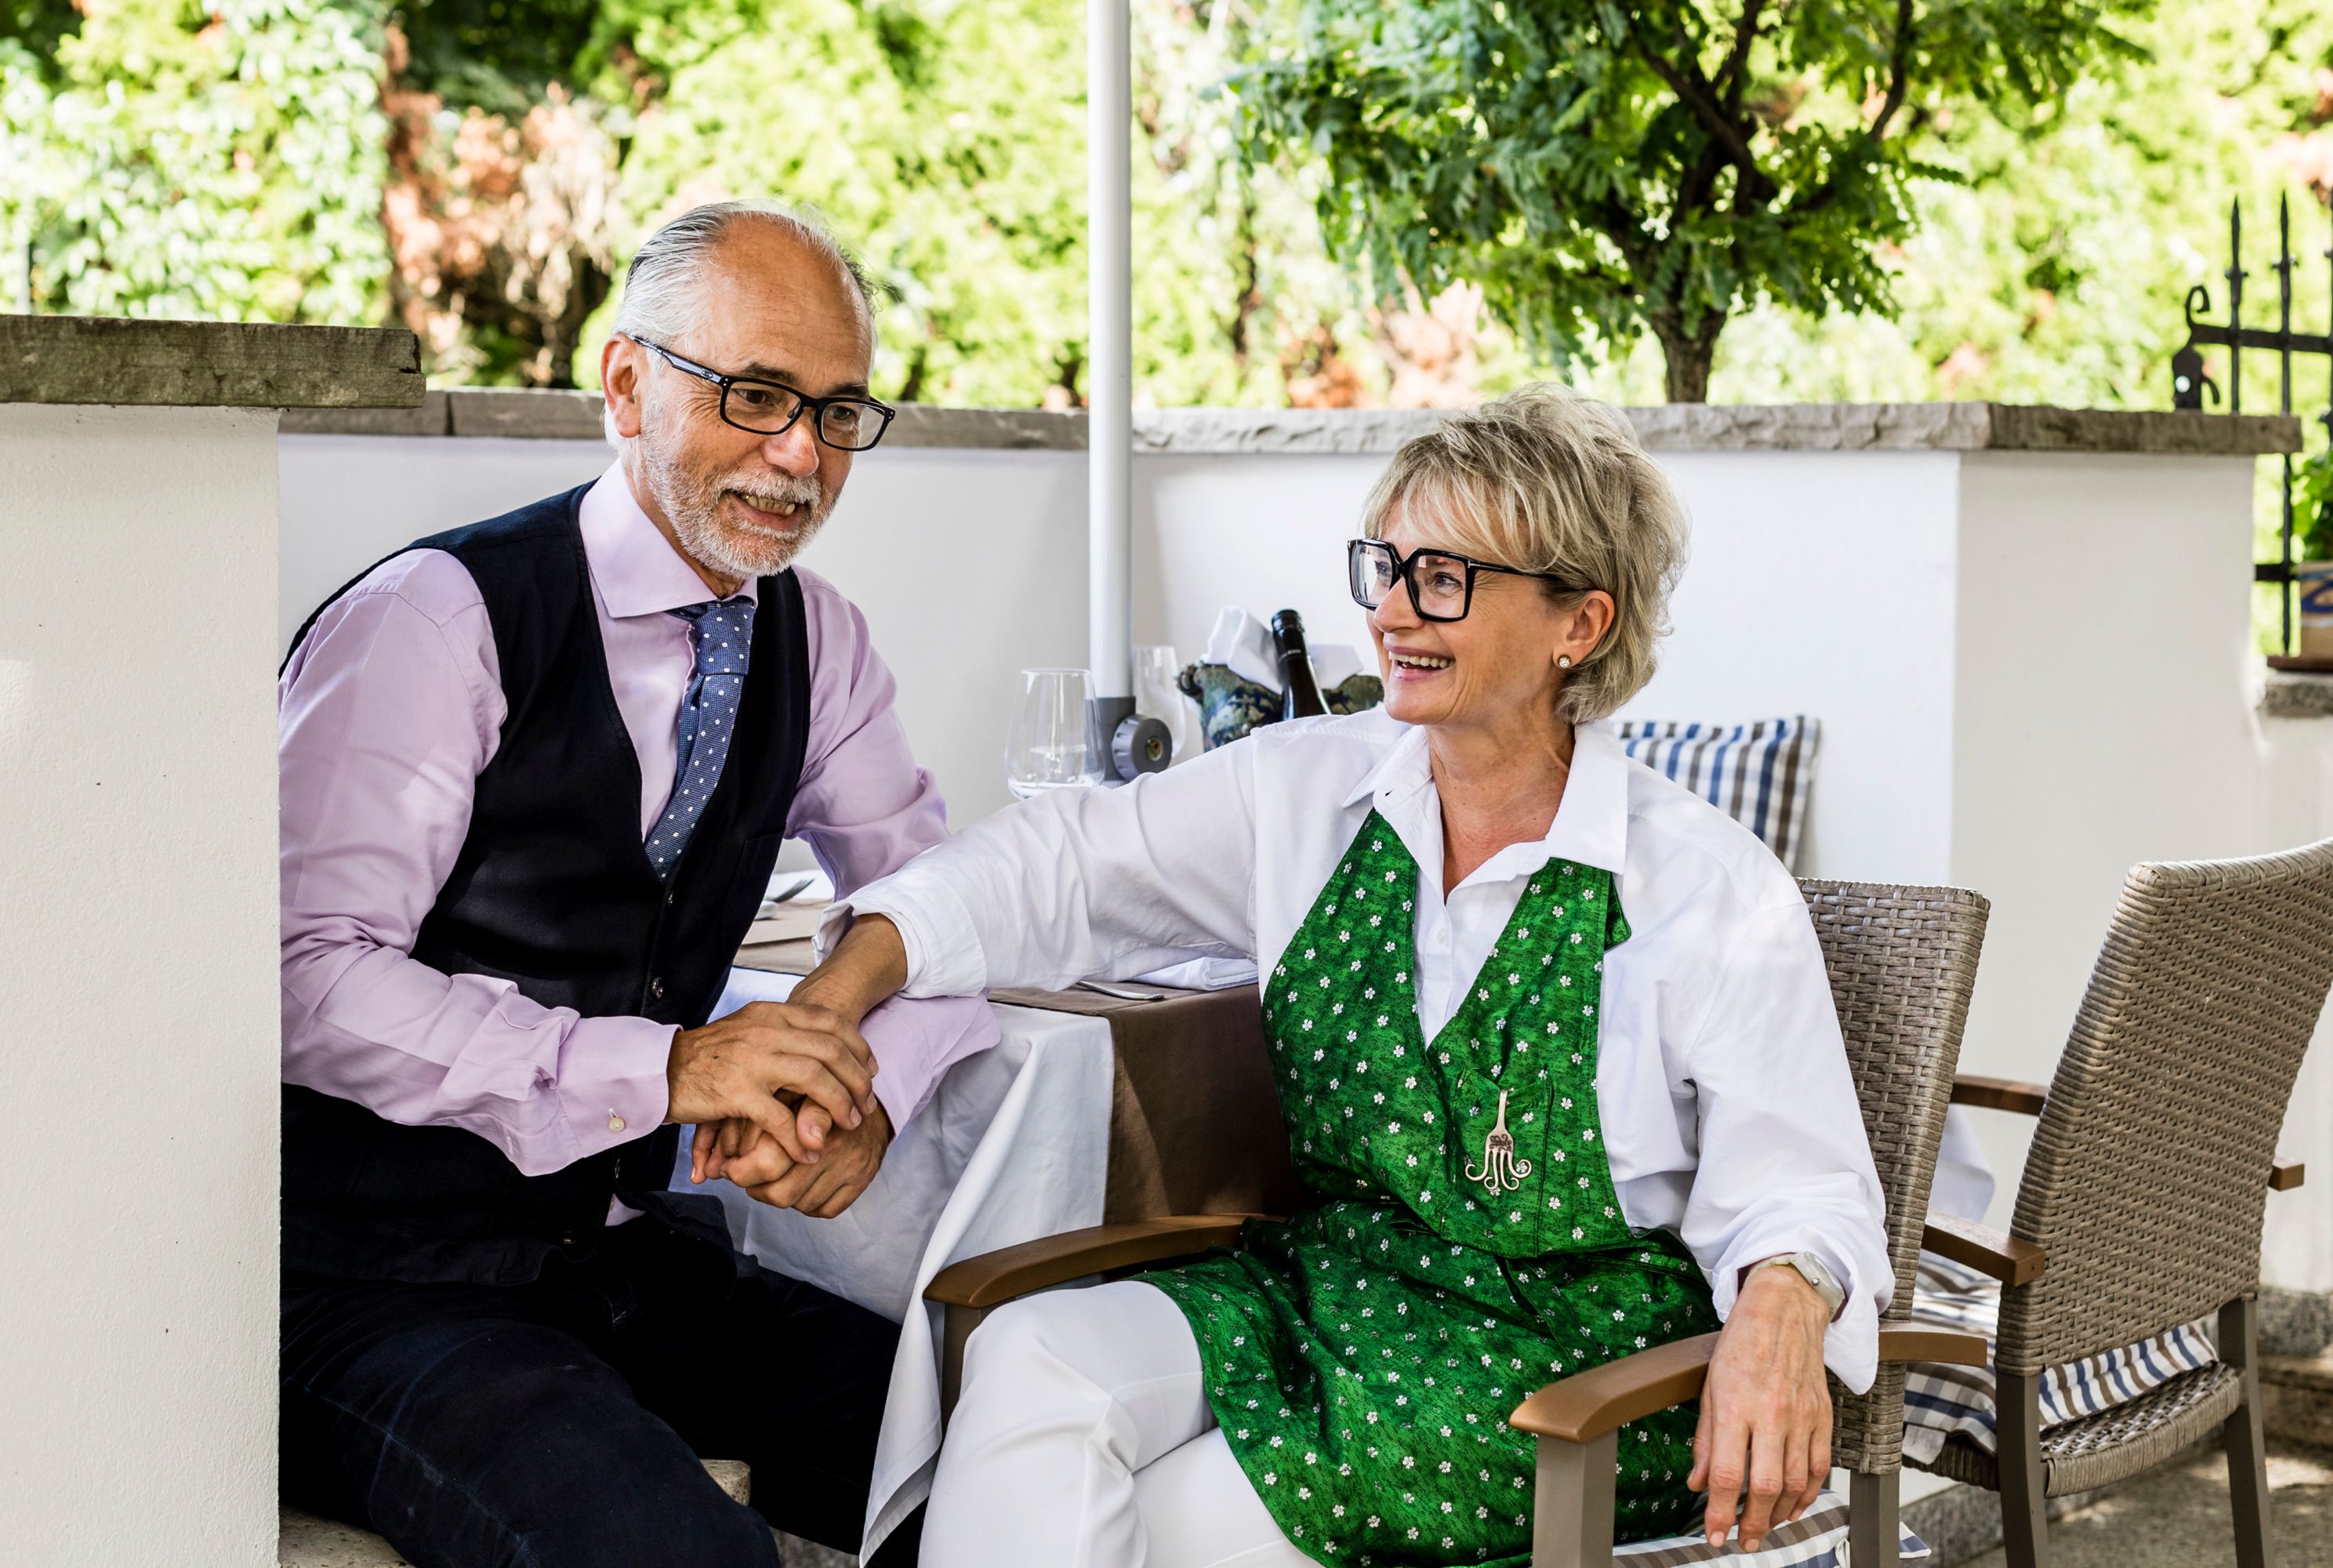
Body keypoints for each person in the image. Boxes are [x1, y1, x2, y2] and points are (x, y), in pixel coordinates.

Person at [706, 386, 1892, 1567]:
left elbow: (1804, 1189)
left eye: (1447, 579)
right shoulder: (1310, 791)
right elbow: (1058, 866)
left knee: (1154, 1526)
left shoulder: (1706, 886)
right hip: (1338, 1293)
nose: (1390, 613)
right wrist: (831, 1000)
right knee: (1030, 1359)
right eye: (1385, 566)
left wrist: (1784, 1302)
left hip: (1564, 1367)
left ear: (1579, 623)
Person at [275, 201, 993, 1567]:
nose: (801, 456)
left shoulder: (815, 637)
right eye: (758, 395)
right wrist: (664, 1069)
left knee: (986, 1464)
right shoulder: (438, 620)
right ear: (624, 384)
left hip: (609, 1257)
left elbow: (944, 895)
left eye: (840, 412)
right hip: (369, 1283)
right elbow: (304, 979)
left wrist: (875, 1096)